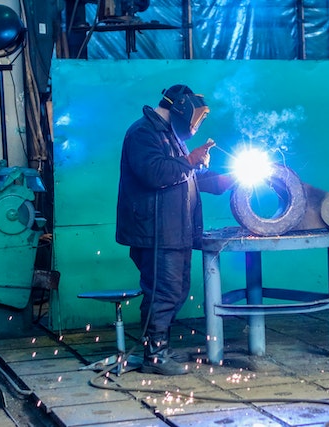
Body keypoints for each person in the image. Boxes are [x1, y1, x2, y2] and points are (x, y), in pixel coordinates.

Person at [116, 84, 233, 375]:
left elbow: (184, 175)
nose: (198, 124)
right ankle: (154, 357)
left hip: (175, 230)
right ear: (182, 108)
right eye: (197, 118)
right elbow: (156, 174)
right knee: (163, 292)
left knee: (177, 291)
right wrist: (190, 160)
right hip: (156, 232)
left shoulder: (170, 135)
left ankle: (160, 348)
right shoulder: (142, 133)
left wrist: (226, 180)